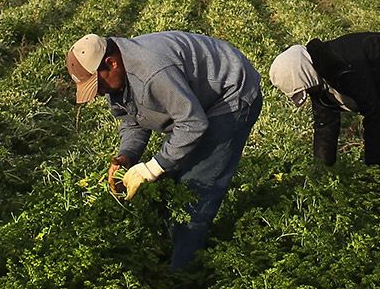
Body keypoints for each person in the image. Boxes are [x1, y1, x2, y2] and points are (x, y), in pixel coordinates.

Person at [69, 31, 262, 269]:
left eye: (98, 85)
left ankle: (182, 274)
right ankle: (169, 247)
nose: (98, 93)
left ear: (111, 62)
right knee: (169, 178)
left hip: (230, 92)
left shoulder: (151, 72)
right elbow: (133, 121)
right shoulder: (118, 79)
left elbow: (192, 124)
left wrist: (151, 168)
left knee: (195, 188)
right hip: (195, 103)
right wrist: (126, 157)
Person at [268, 32, 380, 173]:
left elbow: (374, 116)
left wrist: (372, 171)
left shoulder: (345, 70)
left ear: (305, 75)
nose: (309, 94)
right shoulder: (317, 75)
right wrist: (323, 170)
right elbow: (325, 126)